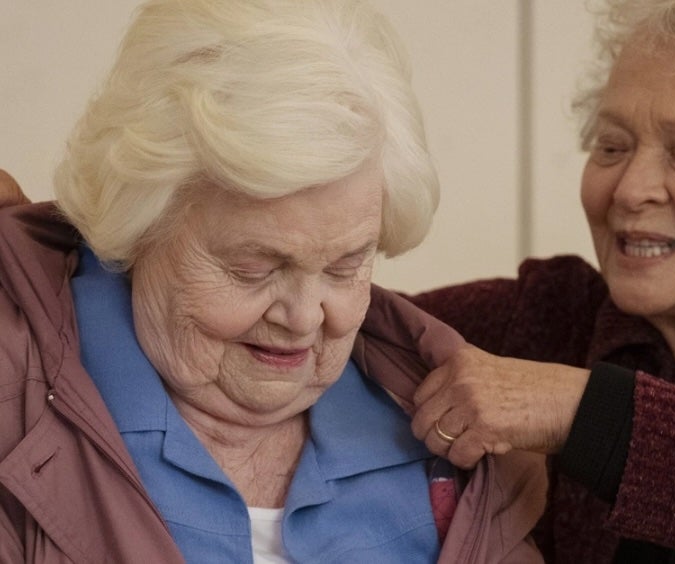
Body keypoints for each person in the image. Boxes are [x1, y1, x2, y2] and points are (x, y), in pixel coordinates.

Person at [0, 1, 546, 562]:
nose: (304, 317)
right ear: (138, 227)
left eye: (344, 267)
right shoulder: (17, 395)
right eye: (253, 269)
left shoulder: (445, 445)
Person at [408, 0, 675, 562]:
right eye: (612, 147)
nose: (628, 189)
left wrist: (587, 415)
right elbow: (342, 323)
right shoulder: (553, 316)